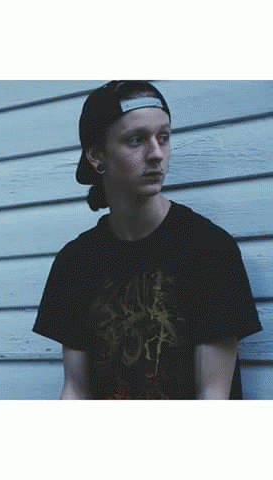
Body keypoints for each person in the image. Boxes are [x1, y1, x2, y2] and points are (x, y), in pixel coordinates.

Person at [32, 80, 262, 400]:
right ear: (97, 155)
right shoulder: (75, 263)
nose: (156, 154)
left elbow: (214, 396)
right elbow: (75, 388)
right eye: (136, 140)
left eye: (163, 137)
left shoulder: (210, 251)